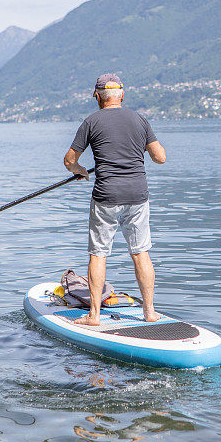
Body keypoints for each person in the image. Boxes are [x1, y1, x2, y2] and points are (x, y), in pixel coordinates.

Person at [63, 73, 166, 326]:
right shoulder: (140, 120)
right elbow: (160, 157)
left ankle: (94, 316)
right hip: (137, 195)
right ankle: (150, 313)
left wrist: (78, 171)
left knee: (98, 255)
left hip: (106, 196)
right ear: (122, 95)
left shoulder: (91, 122)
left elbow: (69, 160)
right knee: (141, 253)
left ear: (97, 96)